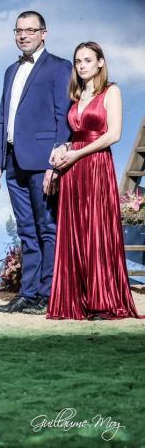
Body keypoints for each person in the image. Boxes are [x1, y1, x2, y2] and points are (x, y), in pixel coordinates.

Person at [47, 42, 140, 320]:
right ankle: (77, 300)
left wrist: (76, 154)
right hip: (73, 169)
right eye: (78, 61)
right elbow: (75, 134)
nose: (82, 65)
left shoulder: (112, 91)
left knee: (97, 231)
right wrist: (64, 150)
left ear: (100, 62)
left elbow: (114, 135)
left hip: (96, 166)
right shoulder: (78, 95)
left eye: (88, 60)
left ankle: (104, 301)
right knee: (75, 232)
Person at [0, 11, 72, 315]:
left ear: (44, 33)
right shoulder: (11, 70)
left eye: (30, 30)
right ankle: (29, 292)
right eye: (19, 30)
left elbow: (62, 117)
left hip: (42, 162)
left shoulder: (60, 68)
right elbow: (3, 119)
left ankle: (49, 294)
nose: (23, 35)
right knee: (26, 230)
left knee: (47, 227)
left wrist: (55, 162)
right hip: (14, 162)